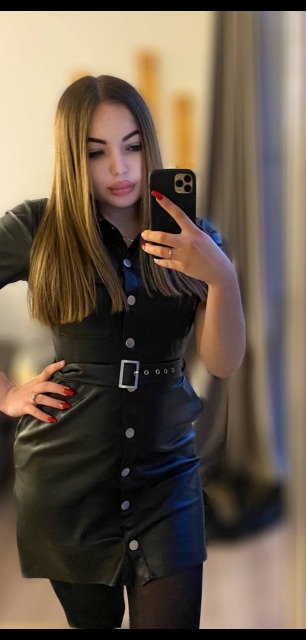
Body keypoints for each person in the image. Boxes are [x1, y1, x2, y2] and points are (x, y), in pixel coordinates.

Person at [0, 74, 246, 629]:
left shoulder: (195, 238)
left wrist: (222, 277)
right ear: (72, 157)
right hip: (67, 482)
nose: (120, 168)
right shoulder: (37, 228)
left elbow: (223, 362)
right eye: (97, 153)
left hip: (167, 475)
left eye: (132, 147)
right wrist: (8, 393)